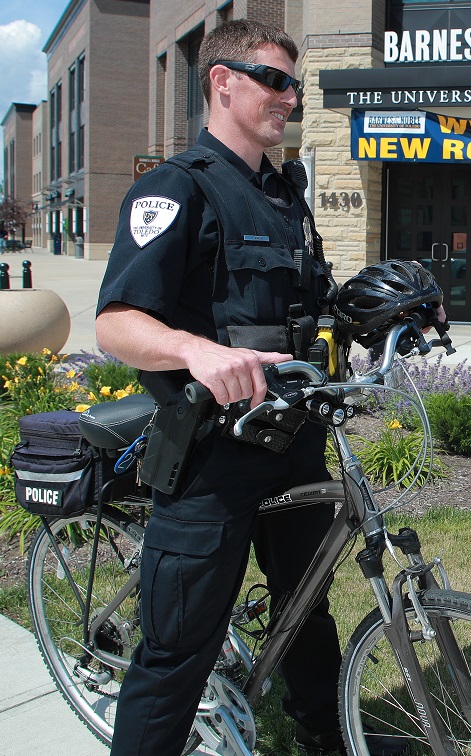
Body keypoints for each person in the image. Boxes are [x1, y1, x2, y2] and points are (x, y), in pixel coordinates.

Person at [95, 20, 378, 756]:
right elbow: (117, 323)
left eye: (296, 84)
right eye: (276, 81)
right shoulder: (175, 188)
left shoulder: (284, 194)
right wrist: (193, 351)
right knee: (177, 646)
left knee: (306, 607)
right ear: (223, 83)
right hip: (212, 456)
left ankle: (328, 735)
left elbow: (300, 307)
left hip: (291, 440)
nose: (290, 96)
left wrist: (382, 308)